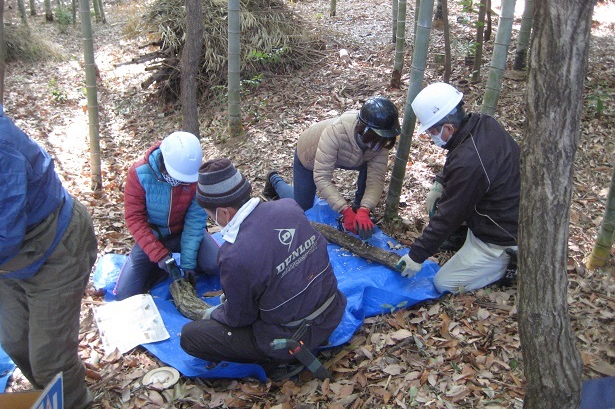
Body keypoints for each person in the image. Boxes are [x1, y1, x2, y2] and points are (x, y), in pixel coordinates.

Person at [180, 158, 347, 379]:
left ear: (223, 213)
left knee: (190, 336)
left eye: (210, 215)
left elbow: (240, 318)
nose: (213, 221)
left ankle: (277, 362)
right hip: (332, 313)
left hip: (293, 338)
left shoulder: (233, 255)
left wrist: (215, 312)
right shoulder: (289, 207)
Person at [0, 106, 98, 409]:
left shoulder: (3, 151)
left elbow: (7, 231)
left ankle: (73, 402)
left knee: (49, 359)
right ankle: (50, 398)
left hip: (56, 245)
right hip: (11, 264)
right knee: (14, 339)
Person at [396, 82, 520, 294]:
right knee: (440, 199)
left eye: (434, 131)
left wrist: (416, 256)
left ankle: (508, 263)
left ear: (449, 128)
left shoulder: (470, 161)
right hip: (502, 209)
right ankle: (462, 238)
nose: (432, 137)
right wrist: (440, 182)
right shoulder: (483, 123)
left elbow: (448, 216)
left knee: (443, 283)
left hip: (499, 236)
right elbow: (461, 161)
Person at [264, 96, 401, 240]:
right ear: (365, 130)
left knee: (369, 172)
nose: (381, 144)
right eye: (378, 138)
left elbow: (376, 180)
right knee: (303, 208)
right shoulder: (336, 132)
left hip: (351, 158)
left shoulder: (381, 142)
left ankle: (358, 208)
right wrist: (344, 211)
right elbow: (322, 177)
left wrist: (365, 209)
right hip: (310, 154)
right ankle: (274, 179)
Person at [114, 131, 219, 300]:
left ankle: (188, 265)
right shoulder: (139, 173)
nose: (181, 182)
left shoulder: (194, 175)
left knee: (216, 263)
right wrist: (160, 256)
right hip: (153, 236)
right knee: (125, 295)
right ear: (163, 163)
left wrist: (188, 264)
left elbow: (195, 220)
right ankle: (157, 270)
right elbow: (135, 219)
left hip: (183, 232)